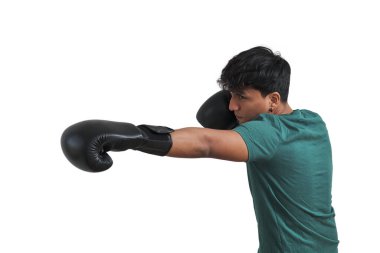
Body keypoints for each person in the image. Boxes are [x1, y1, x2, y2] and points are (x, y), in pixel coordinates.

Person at [61, 46, 339, 252]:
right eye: (230, 96)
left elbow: (205, 143)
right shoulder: (312, 122)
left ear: (273, 100)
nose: (231, 106)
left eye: (242, 97)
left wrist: (137, 137)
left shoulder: (269, 133)